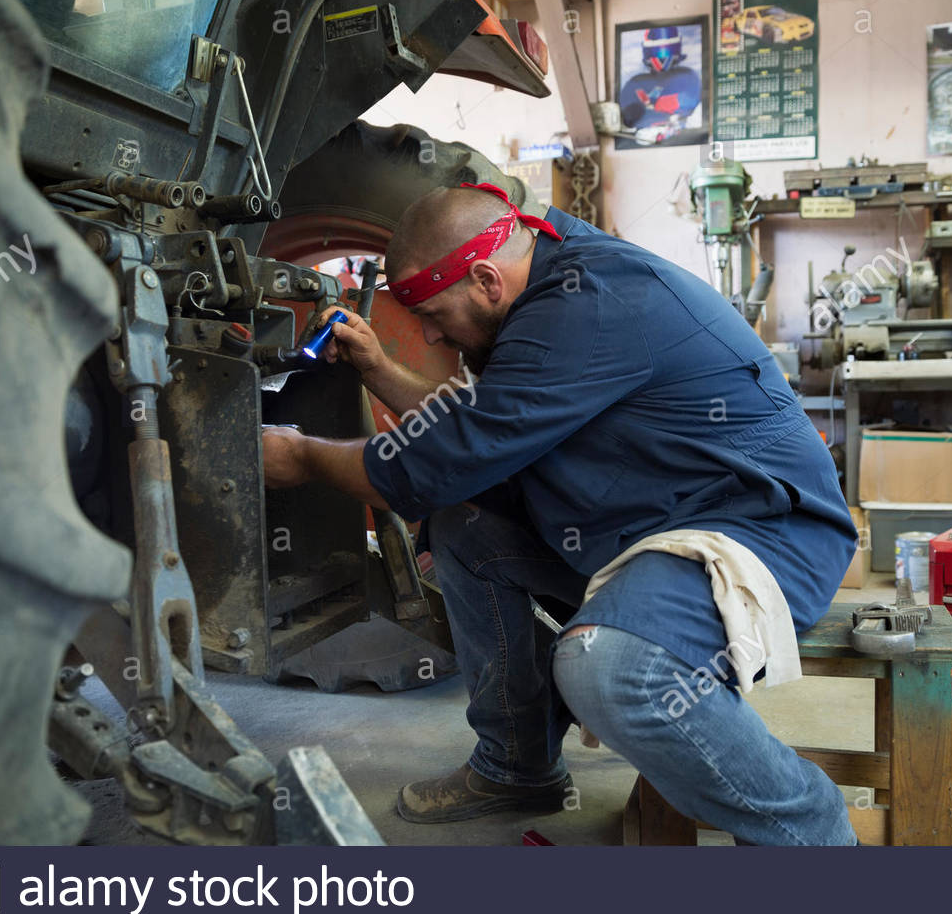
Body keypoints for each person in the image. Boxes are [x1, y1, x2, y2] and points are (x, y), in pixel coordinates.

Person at [262, 182, 858, 845]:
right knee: (465, 528)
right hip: (652, 513)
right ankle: (516, 765)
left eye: (433, 314)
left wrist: (305, 458)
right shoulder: (544, 274)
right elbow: (484, 425)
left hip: (760, 532)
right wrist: (377, 368)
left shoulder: (588, 302)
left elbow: (431, 466)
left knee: (610, 666)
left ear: (485, 279)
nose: (427, 332)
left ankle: (811, 829)